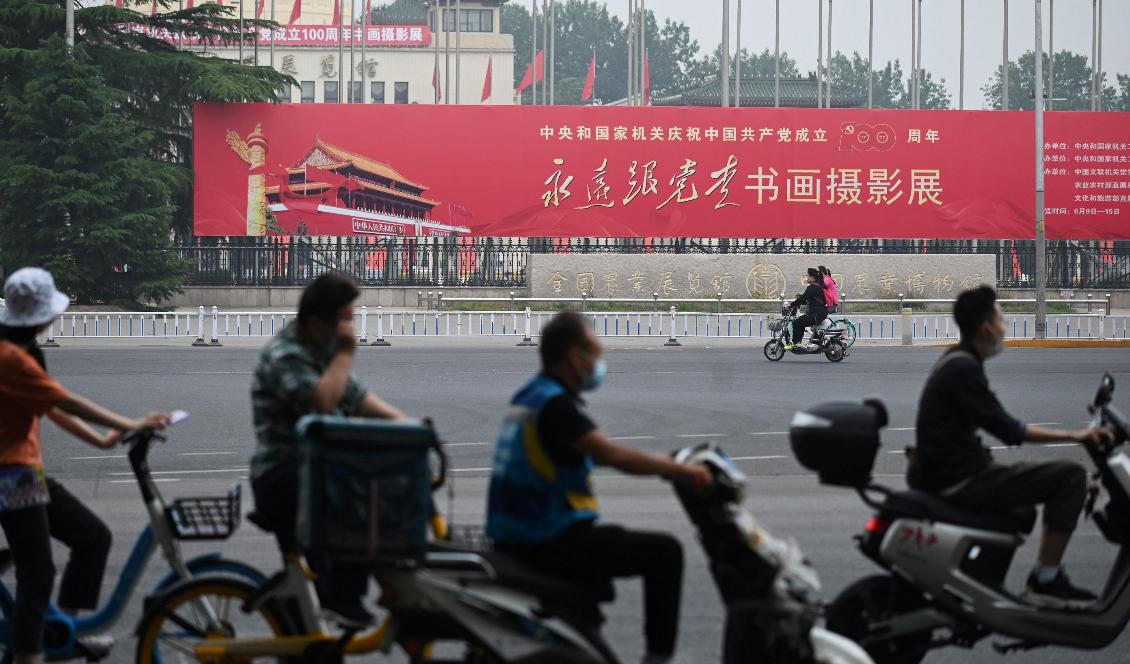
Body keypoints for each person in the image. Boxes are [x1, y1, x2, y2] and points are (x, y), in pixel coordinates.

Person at [485, 311, 712, 664]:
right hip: (546, 538)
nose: (599, 361)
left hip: (518, 533)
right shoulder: (556, 406)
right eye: (596, 352)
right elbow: (612, 455)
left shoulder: (530, 395)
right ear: (576, 357)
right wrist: (681, 469)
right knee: (666, 553)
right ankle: (658, 659)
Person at [0, 267, 168, 664]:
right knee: (37, 574)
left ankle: (63, 634)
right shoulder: (10, 358)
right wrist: (130, 424)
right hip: (9, 475)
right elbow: (66, 401)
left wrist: (102, 439)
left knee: (92, 537)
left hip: (25, 472)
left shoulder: (24, 351)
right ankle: (29, 656)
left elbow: (49, 405)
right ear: (42, 316)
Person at [909, 286, 1112, 606]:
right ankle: (1046, 579)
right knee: (1071, 476)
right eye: (1001, 320)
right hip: (959, 477)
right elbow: (1009, 429)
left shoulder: (955, 360)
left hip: (948, 470)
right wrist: (1076, 436)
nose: (1004, 328)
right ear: (986, 328)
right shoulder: (963, 368)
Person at [250, 272, 406, 627]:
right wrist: (346, 354)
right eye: (343, 322)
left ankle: (312, 618)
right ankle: (342, 600)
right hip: (282, 474)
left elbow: (357, 397)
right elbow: (322, 402)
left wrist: (407, 426)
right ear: (316, 322)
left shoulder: (320, 350)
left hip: (312, 470)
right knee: (353, 491)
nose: (348, 332)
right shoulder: (285, 355)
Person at [784, 267, 829, 351]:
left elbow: (802, 298)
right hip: (820, 313)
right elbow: (808, 299)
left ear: (812, 277)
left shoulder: (812, 287)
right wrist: (798, 303)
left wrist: (791, 305)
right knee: (801, 321)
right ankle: (807, 343)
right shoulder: (818, 286)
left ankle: (796, 344)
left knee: (797, 323)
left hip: (816, 314)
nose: (806, 277)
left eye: (807, 275)